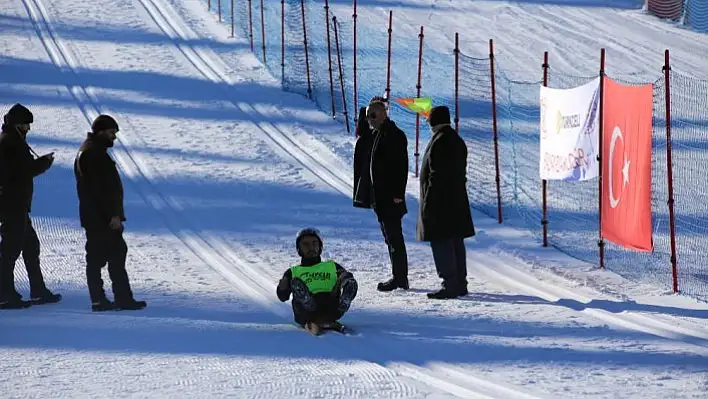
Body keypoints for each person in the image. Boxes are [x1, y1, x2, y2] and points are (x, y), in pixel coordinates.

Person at [74, 114, 146, 312]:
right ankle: (107, 299)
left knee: (111, 255)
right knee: (103, 257)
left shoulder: (91, 150)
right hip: (100, 218)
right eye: (112, 132)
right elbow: (102, 190)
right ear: (100, 132)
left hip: (96, 217)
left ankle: (113, 298)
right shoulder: (93, 153)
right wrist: (113, 216)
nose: (114, 137)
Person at [0, 103, 61, 309]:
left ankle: (37, 290)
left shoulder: (14, 142)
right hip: (12, 206)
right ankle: (5, 294)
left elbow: (21, 170)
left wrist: (41, 163)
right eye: (25, 124)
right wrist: (43, 164)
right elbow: (19, 173)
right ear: (16, 124)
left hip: (18, 207)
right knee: (10, 250)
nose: (28, 129)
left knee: (30, 247)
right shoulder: (9, 144)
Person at [416, 106, 475, 299]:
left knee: (442, 244)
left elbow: (436, 176)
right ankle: (460, 283)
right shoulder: (457, 140)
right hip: (457, 201)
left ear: (434, 122)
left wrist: (429, 203)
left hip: (441, 203)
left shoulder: (440, 141)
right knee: (456, 242)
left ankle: (449, 283)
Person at [276, 228, 358, 334]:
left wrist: (346, 281)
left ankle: (344, 302)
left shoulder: (331, 266)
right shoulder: (293, 271)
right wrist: (282, 287)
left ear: (320, 246)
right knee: (296, 282)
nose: (311, 247)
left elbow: (345, 276)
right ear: (299, 249)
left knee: (346, 277)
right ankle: (307, 300)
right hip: (305, 311)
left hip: (331, 306)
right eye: (305, 244)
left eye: (314, 243)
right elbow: (283, 296)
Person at [366, 97, 410, 292]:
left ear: (383, 114)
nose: (370, 119)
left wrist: (398, 193)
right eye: (367, 116)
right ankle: (398, 275)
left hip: (390, 197)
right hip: (381, 197)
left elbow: (401, 166)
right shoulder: (379, 133)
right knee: (390, 237)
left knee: (394, 237)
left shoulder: (393, 135)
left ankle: (400, 278)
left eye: (373, 115)